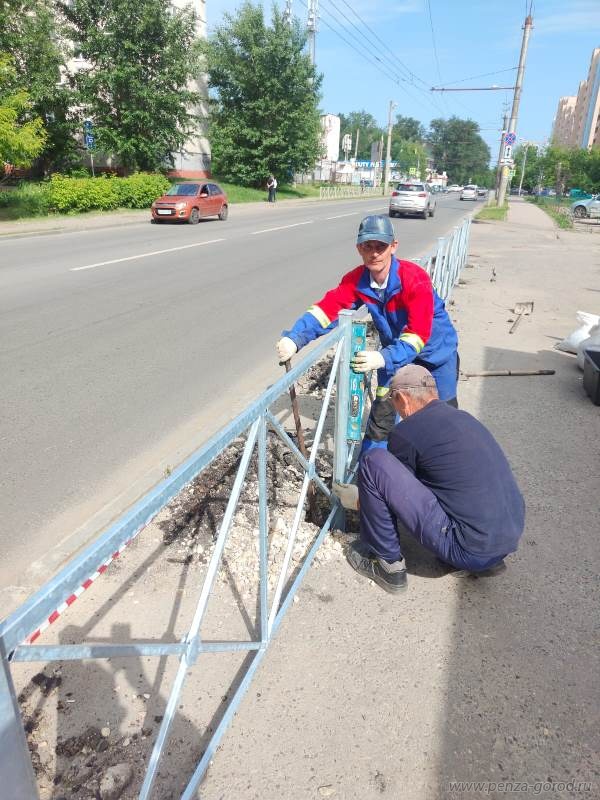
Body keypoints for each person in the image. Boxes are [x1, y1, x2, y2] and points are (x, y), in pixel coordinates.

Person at [333, 365, 526, 594]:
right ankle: (487, 561)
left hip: (469, 547)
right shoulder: (463, 418)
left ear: (403, 399)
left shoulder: (406, 433)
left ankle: (386, 564)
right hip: (507, 537)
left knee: (374, 462)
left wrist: (359, 499)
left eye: (394, 401)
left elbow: (394, 495)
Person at [276, 214, 459, 453]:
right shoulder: (357, 280)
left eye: (380, 246)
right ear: (359, 249)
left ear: (393, 247)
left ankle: (438, 473)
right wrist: (295, 338)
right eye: (367, 246)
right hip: (394, 356)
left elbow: (417, 335)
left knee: (442, 422)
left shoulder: (414, 279)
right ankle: (371, 475)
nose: (374, 253)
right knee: (382, 418)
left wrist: (382, 358)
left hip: (436, 356)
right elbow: (327, 311)